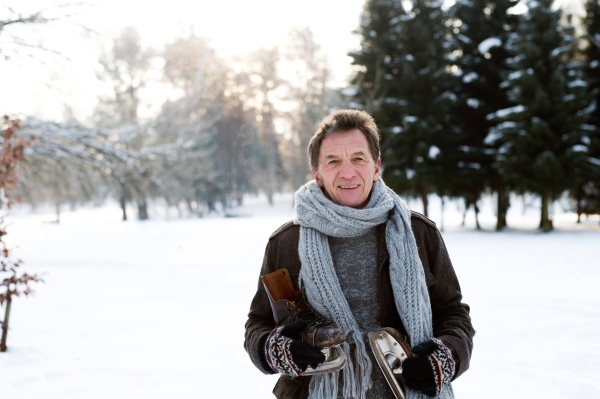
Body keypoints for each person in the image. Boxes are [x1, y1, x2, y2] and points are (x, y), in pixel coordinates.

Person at [244, 109, 474, 399]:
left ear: (376, 167)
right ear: (317, 174)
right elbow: (257, 324)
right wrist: (274, 349)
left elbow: (454, 315)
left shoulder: (418, 233)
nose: (348, 172)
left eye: (358, 158)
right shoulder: (287, 242)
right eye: (333, 161)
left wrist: (446, 357)